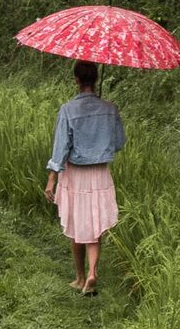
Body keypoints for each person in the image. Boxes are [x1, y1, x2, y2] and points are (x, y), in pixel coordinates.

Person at [45, 58, 124, 293]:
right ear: (96, 79)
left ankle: (80, 277)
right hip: (99, 173)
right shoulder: (110, 109)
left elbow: (61, 148)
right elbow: (119, 142)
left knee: (78, 221)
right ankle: (92, 272)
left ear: (76, 80)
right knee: (94, 222)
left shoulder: (68, 110)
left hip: (76, 173)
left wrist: (52, 178)